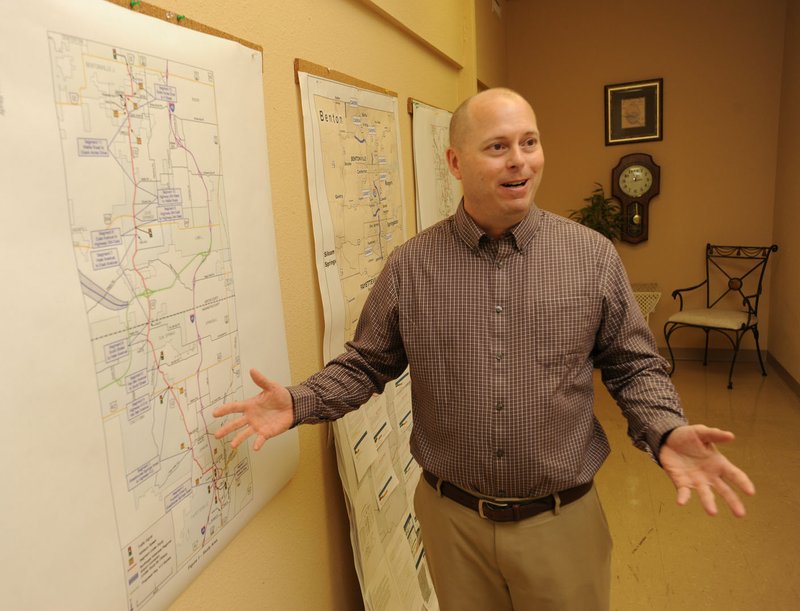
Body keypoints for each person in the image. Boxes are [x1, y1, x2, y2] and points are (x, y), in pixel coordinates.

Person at [213, 88, 755, 611]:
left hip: (561, 524)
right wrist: (298, 401)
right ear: (455, 161)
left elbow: (632, 365)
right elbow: (367, 364)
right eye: (497, 147)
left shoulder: (591, 257)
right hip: (453, 523)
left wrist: (665, 426)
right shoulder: (411, 266)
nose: (519, 162)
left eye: (530, 142)